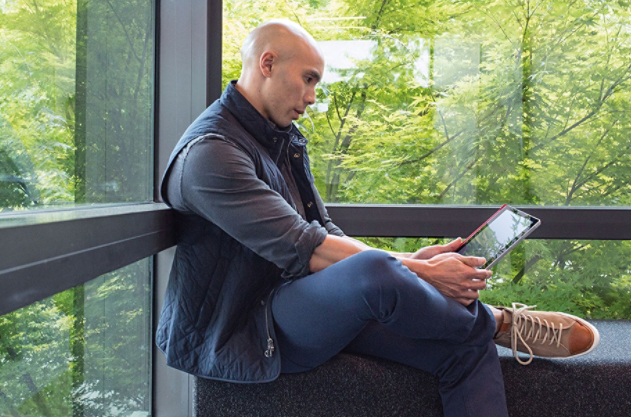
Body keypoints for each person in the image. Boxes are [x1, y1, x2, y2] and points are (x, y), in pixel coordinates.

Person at [156, 20, 600, 417]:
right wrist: (419, 271)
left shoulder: (280, 138)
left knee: (464, 346)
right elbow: (304, 246)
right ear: (267, 63)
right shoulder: (211, 155)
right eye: (307, 80)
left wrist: (408, 260)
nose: (311, 97)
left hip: (297, 298)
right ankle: (500, 324)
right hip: (245, 325)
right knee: (380, 273)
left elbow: (324, 230)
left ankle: (480, 330)